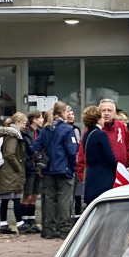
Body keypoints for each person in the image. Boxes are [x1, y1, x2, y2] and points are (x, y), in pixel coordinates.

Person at [33, 101, 78, 239]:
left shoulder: (46, 129)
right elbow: (71, 151)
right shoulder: (67, 129)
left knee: (49, 199)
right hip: (63, 168)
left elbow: (36, 146)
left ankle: (48, 228)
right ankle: (63, 228)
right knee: (64, 198)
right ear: (62, 113)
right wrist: (74, 167)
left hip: (48, 168)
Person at [76, 98, 129, 184]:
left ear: (115, 113)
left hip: (120, 176)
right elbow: (82, 154)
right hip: (100, 178)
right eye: (103, 110)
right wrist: (82, 176)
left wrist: (125, 166)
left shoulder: (121, 127)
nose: (106, 113)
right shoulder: (92, 130)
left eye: (109, 110)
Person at [0, 114, 27, 234]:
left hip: (6, 172)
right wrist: (18, 168)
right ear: (17, 122)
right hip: (10, 172)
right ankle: (19, 224)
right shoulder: (12, 136)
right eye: (23, 123)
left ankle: (4, 224)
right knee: (15, 198)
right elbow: (10, 154)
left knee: (6, 199)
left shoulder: (6, 135)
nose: (24, 126)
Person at [81, 105, 117, 204]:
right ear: (97, 119)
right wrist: (116, 169)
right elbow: (109, 157)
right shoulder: (101, 134)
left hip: (91, 173)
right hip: (102, 175)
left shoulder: (87, 134)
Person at [19, 111, 43, 234]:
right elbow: (28, 150)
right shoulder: (25, 133)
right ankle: (25, 221)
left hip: (37, 167)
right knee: (27, 195)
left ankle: (32, 220)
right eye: (40, 118)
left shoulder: (39, 132)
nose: (42, 120)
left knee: (34, 195)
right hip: (29, 167)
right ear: (34, 119)